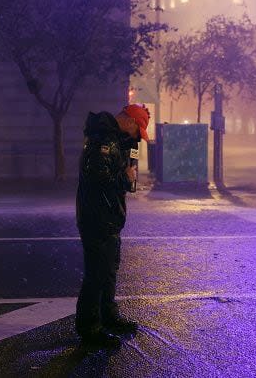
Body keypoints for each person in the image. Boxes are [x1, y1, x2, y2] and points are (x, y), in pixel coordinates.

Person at [75, 104, 150, 348]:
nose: (137, 137)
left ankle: (108, 316)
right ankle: (90, 329)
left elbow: (128, 181)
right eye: (137, 131)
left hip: (111, 215)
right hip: (97, 216)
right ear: (128, 121)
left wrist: (129, 177)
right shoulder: (101, 139)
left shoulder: (122, 142)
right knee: (96, 274)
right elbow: (97, 177)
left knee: (108, 270)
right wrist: (124, 177)